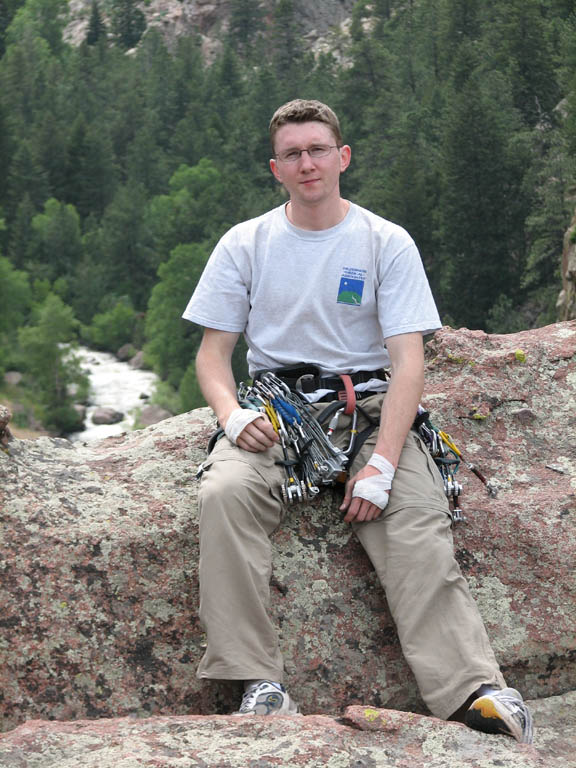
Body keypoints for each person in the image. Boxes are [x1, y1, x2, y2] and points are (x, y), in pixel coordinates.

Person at [182, 99, 533, 743]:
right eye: (293, 154)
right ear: (275, 168)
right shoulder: (245, 244)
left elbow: (408, 362)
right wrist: (231, 417)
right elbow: (213, 355)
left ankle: (472, 690)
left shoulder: (383, 241)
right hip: (279, 407)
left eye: (317, 149)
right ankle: (257, 680)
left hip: (369, 406)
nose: (306, 163)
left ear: (342, 157)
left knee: (415, 517)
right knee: (223, 493)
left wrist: (383, 464)